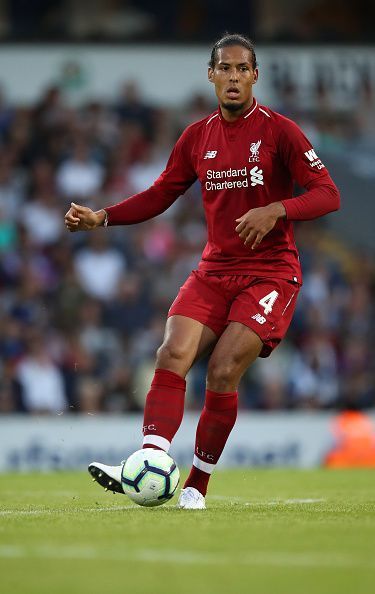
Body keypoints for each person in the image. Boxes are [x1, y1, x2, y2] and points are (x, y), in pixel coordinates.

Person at [65, 33, 340, 509]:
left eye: (242, 69)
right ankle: (148, 460)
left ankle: (197, 485)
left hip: (270, 273)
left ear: (255, 76)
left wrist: (277, 208)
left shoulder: (280, 131)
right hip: (215, 269)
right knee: (172, 352)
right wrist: (103, 216)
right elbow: (160, 194)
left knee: (222, 370)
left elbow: (328, 193)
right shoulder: (196, 136)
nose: (233, 77)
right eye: (225, 69)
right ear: (210, 75)